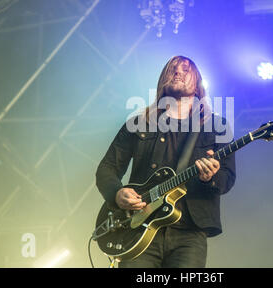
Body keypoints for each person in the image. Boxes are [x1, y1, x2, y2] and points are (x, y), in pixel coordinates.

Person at [95, 56, 236, 268]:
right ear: (162, 80)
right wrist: (117, 193)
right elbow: (107, 168)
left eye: (186, 69)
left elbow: (227, 177)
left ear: (198, 85)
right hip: (137, 229)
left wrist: (210, 178)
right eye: (172, 69)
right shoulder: (140, 123)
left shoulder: (216, 126)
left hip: (189, 234)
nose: (178, 72)